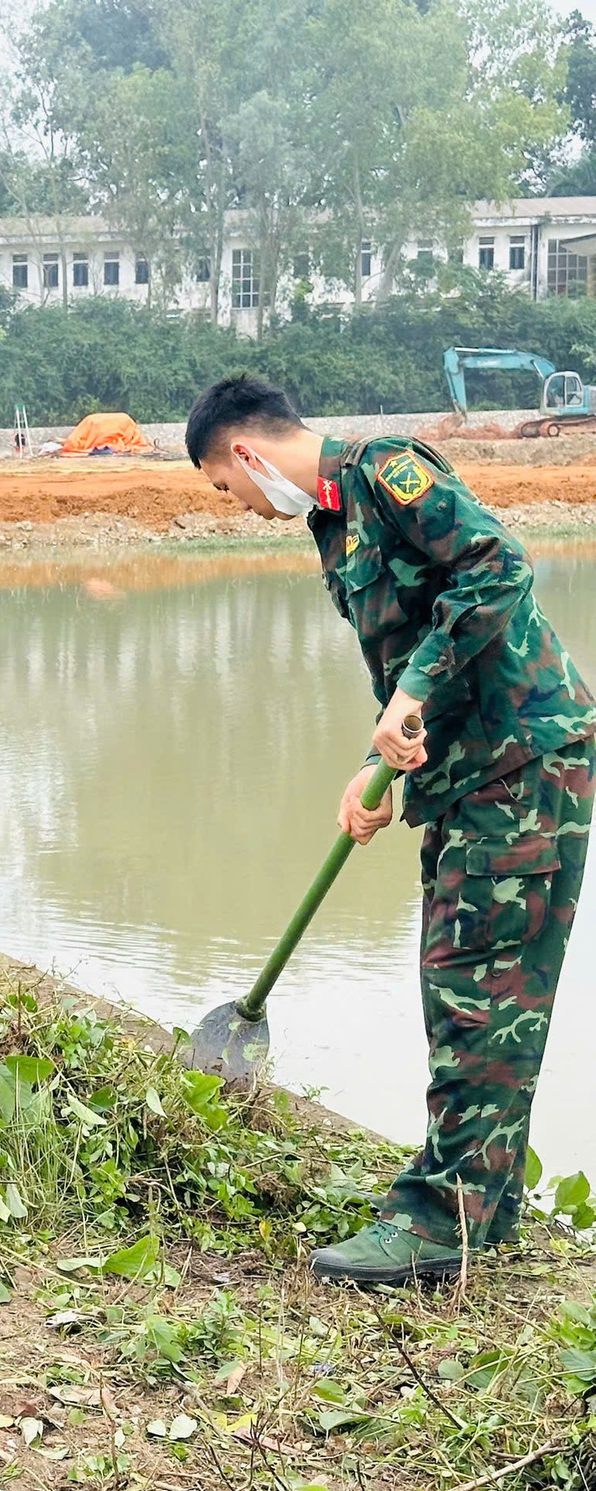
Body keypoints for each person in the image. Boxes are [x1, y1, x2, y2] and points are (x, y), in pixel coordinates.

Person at [185, 374, 596, 1286]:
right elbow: (412, 657)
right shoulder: (333, 523)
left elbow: (498, 565)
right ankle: (474, 1209)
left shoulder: (387, 472)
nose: (238, 508)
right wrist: (380, 771)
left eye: (225, 487)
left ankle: (443, 1225)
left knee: (478, 991)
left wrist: (411, 696)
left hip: (523, 762)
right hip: (467, 774)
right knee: (469, 986)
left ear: (248, 454)